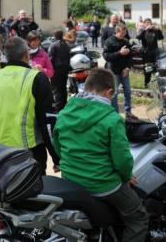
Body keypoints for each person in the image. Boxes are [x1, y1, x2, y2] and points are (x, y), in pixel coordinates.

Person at [53, 68, 149, 242]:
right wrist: (127, 176)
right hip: (103, 185)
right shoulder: (112, 119)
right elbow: (122, 160)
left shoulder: (65, 112)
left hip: (70, 180)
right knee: (138, 217)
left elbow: (58, 146)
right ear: (109, 92)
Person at [0, 36, 59, 174]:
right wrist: (57, 158)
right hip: (29, 155)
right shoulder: (36, 78)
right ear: (26, 55)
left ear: (6, 56)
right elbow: (48, 123)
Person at [102, 24, 136, 120]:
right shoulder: (109, 41)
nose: (124, 34)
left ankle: (128, 112)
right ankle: (115, 114)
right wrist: (119, 53)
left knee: (128, 91)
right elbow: (106, 56)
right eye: (122, 32)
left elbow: (130, 56)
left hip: (124, 71)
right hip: (113, 71)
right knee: (114, 93)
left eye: (125, 32)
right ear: (117, 31)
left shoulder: (125, 41)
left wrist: (128, 68)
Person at [136, 19, 163, 87]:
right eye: (146, 23)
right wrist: (145, 29)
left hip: (154, 53)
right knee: (148, 68)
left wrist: (159, 30)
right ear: (144, 24)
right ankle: (147, 83)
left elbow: (161, 37)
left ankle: (158, 83)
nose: (148, 24)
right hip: (146, 53)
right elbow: (138, 37)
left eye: (149, 23)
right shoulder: (143, 31)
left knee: (156, 68)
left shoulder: (155, 30)